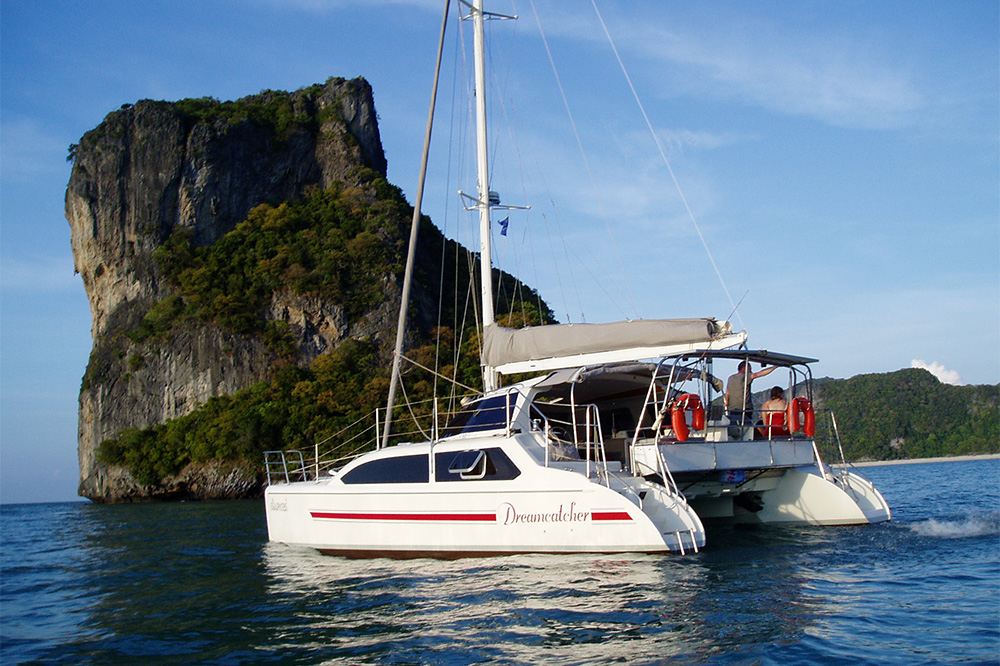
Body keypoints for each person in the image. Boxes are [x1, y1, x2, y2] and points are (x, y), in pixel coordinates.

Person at [724, 361, 776, 439]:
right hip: (745, 408)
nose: (751, 371)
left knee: (736, 428)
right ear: (744, 368)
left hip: (733, 409)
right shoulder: (745, 376)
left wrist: (727, 402)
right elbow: (760, 373)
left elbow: (727, 392)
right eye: (750, 369)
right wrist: (774, 367)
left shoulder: (731, 378)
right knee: (746, 429)